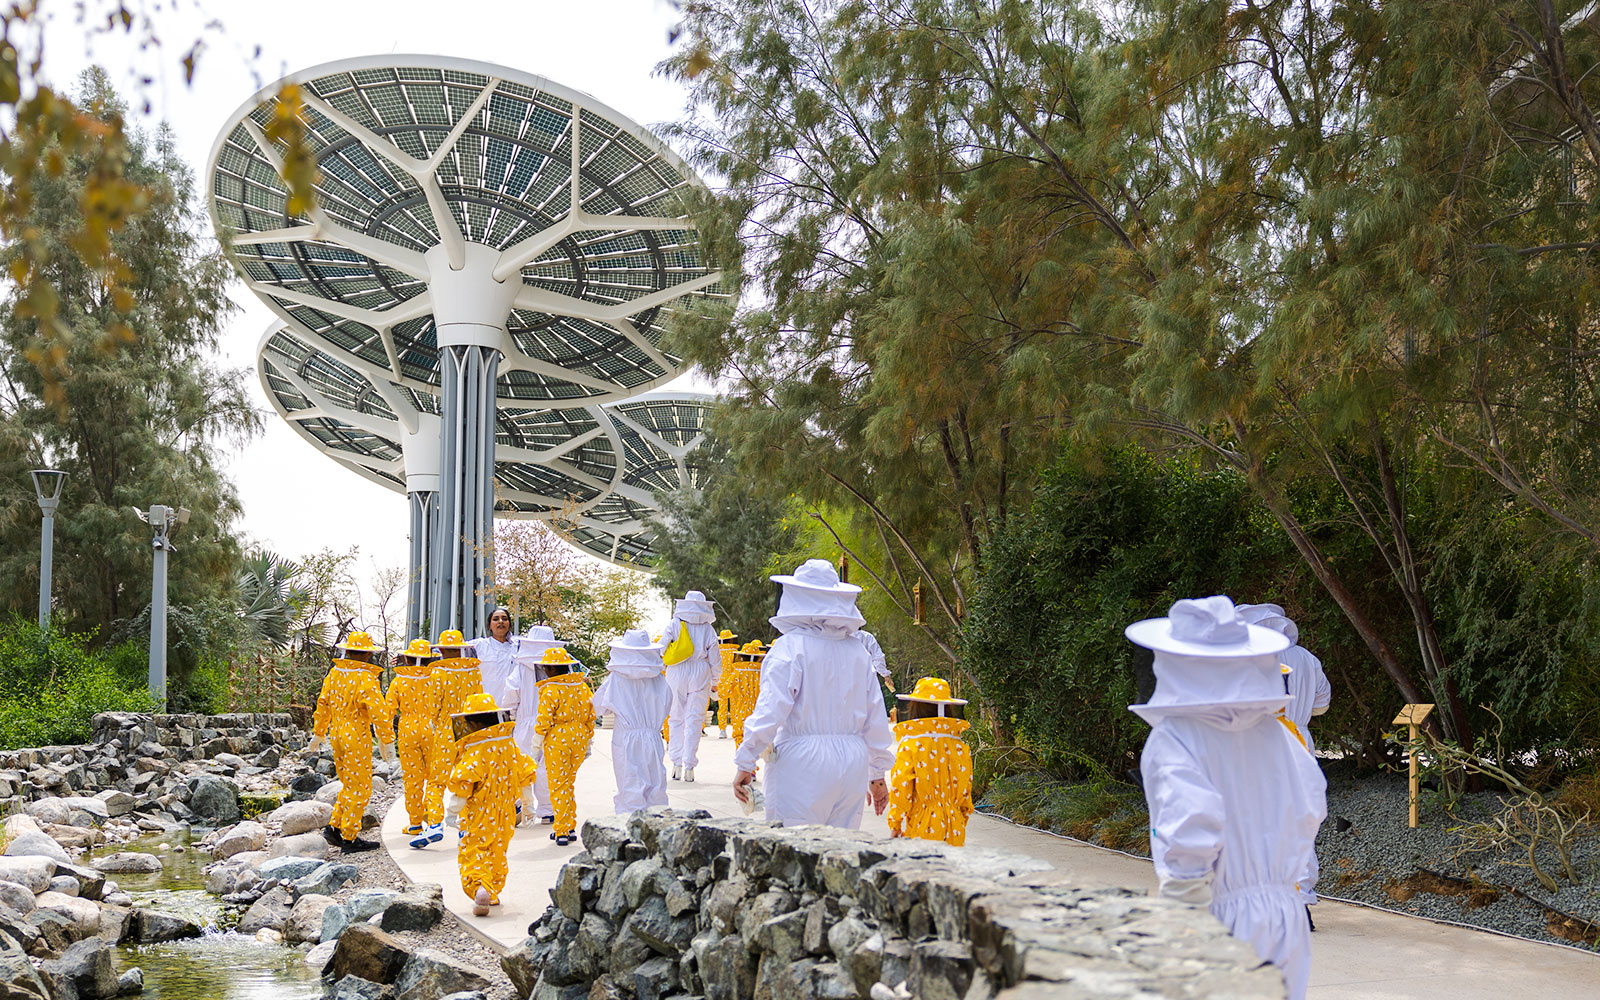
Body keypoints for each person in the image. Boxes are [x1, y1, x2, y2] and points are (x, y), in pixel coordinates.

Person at [1127, 596, 1326, 1000]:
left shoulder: (1175, 738)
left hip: (1217, 912)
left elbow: (1190, 824)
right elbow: (1311, 804)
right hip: (1284, 915)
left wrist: (1183, 913)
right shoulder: (1278, 733)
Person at [733, 559, 895, 828]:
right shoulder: (858, 652)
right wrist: (876, 775)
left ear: (796, 596)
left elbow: (771, 711)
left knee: (793, 854)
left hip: (801, 763)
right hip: (852, 762)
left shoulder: (788, 648)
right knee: (839, 857)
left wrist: (746, 760)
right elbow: (875, 717)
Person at [1243, 608, 1332, 916]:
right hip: (1300, 738)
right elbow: (1322, 705)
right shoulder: (1307, 658)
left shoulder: (1251, 656)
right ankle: (1301, 891)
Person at [445, 692, 537, 917]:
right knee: (498, 851)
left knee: (474, 851)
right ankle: (492, 890)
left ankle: (479, 888)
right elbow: (525, 775)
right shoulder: (509, 746)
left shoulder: (474, 750)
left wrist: (450, 813)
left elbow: (463, 786)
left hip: (478, 814)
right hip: (505, 813)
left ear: (473, 722)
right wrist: (528, 806)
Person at [309, 631, 395, 852]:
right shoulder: (365, 678)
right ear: (366, 655)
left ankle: (334, 827)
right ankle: (350, 837)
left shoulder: (334, 674)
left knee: (349, 783)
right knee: (361, 787)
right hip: (356, 734)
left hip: (336, 733)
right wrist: (386, 740)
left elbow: (323, 703)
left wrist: (319, 732)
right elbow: (378, 711)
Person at [412, 629, 483, 849]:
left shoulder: (437, 674)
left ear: (441, 650)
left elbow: (432, 707)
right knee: (467, 779)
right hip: (469, 730)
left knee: (436, 781)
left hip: (446, 729)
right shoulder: (474, 672)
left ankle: (434, 824)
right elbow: (480, 702)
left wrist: (439, 721)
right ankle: (466, 826)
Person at [592, 629, 672, 813]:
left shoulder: (616, 679)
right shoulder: (659, 680)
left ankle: (629, 827)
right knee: (656, 783)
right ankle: (657, 825)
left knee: (630, 783)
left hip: (626, 736)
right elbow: (668, 703)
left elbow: (598, 707)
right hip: (653, 736)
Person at [887, 677, 975, 845]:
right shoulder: (960, 747)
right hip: (955, 824)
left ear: (915, 708)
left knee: (924, 870)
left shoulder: (911, 745)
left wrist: (895, 823)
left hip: (923, 824)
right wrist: (959, 817)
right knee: (949, 870)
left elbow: (901, 786)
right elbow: (966, 789)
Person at [533, 647, 595, 846]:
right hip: (579, 737)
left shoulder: (550, 690)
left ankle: (561, 831)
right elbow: (591, 717)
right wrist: (588, 741)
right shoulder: (581, 687)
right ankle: (568, 826)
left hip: (557, 739)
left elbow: (543, 721)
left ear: (550, 669)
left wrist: (535, 746)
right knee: (568, 783)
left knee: (558, 785)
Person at [506, 624, 565, 825]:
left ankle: (518, 806)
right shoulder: (558, 667)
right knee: (548, 767)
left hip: (525, 722)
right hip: (552, 725)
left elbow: (511, 693)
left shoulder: (521, 667)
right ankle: (548, 809)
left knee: (522, 766)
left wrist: (512, 714)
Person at [662, 590, 719, 782]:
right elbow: (715, 659)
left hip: (676, 671)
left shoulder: (675, 623)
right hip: (700, 672)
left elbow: (661, 648)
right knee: (694, 720)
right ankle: (689, 767)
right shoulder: (708, 629)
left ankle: (676, 763)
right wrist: (716, 681)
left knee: (676, 717)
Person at [385, 638, 439, 837]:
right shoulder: (436, 678)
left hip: (408, 730)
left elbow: (387, 710)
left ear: (407, 659)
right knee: (435, 777)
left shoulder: (399, 681)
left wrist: (386, 737)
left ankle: (415, 823)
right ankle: (434, 820)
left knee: (412, 778)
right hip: (433, 729)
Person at [470, 607, 518, 708]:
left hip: (512, 708)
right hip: (486, 707)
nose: (500, 621)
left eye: (504, 619)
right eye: (496, 619)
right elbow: (455, 648)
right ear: (489, 626)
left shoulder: (518, 646)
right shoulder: (479, 645)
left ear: (509, 624)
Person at [726, 640, 765, 747]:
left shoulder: (737, 673)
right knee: (755, 740)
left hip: (740, 710)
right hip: (758, 712)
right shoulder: (763, 673)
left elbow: (725, 691)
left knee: (740, 737)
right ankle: (751, 762)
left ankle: (744, 762)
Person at [714, 629, 739, 738]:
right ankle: (735, 728)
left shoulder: (717, 652)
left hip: (721, 682)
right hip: (733, 681)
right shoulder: (735, 652)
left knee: (722, 707)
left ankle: (722, 730)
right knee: (734, 706)